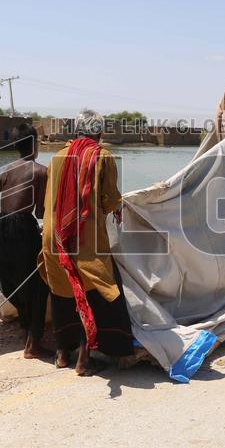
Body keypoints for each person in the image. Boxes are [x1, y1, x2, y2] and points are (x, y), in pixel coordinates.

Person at [39, 109, 134, 375]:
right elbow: (110, 201)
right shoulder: (102, 157)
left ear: (76, 131)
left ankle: (61, 353)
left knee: (61, 293)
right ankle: (84, 358)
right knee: (94, 293)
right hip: (85, 240)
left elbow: (50, 200)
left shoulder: (56, 158)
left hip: (54, 238)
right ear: (99, 132)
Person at [0, 123, 51, 359]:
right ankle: (33, 344)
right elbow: (39, 213)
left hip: (3, 224)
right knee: (39, 282)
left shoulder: (9, 170)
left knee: (15, 280)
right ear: (35, 145)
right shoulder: (40, 171)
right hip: (22, 226)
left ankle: (25, 329)